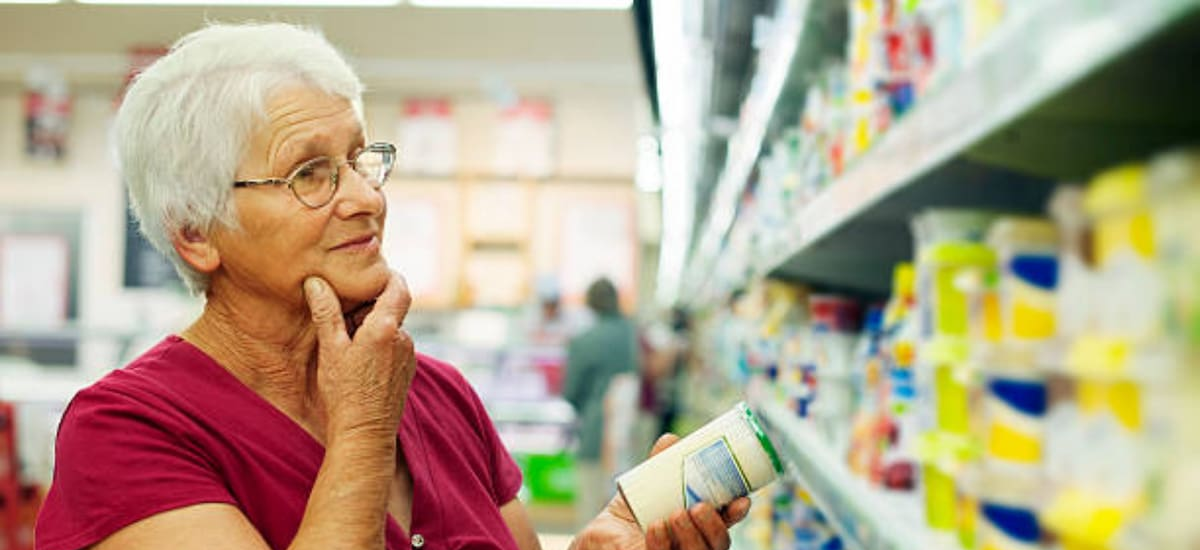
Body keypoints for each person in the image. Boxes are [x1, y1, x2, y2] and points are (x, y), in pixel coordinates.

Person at [33, 23, 749, 550]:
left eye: (358, 159)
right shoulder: (129, 432)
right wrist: (365, 428)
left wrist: (604, 543)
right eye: (310, 173)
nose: (365, 198)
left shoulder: (437, 394)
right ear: (196, 231)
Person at [563, 278, 640, 528]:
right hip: (630, 434)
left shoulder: (584, 341)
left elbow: (571, 392)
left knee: (591, 515)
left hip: (596, 434)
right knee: (627, 517)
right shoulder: (633, 332)